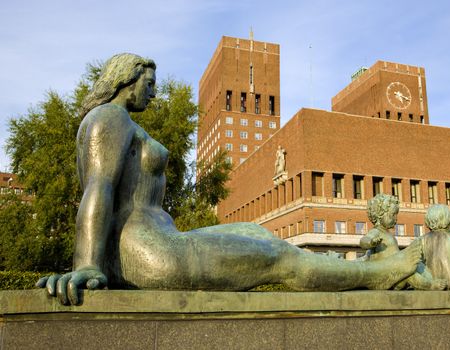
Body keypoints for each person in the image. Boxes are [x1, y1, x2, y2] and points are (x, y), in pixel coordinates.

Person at [37, 53, 420, 305]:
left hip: (167, 240)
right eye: (149, 83)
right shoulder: (110, 118)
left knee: (259, 234)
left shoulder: (120, 122)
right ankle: (378, 273)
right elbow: (98, 187)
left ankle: (355, 268)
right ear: (128, 79)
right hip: (151, 253)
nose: (153, 92)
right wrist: (87, 264)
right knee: (279, 258)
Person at [360, 194, 446, 290]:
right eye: (393, 215)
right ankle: (430, 285)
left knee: (418, 264)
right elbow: (364, 241)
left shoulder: (388, 235)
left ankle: (430, 279)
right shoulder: (376, 232)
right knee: (409, 272)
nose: (396, 218)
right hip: (384, 274)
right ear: (380, 215)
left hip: (395, 272)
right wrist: (371, 242)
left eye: (396, 215)